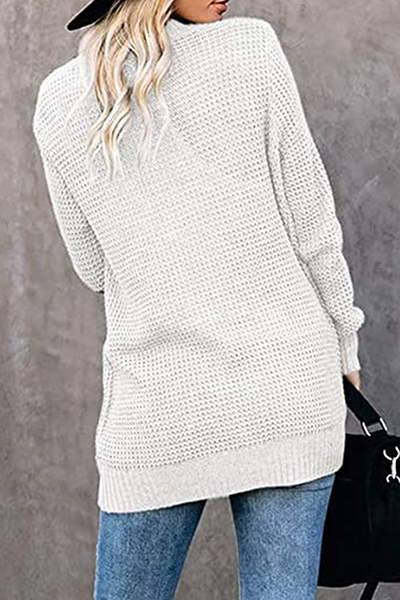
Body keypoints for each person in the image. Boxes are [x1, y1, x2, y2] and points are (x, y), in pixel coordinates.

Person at [32, 0, 366, 598]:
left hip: (158, 413)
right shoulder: (253, 49)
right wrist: (345, 345)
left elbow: (93, 267)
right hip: (287, 391)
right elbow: (313, 224)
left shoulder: (60, 100)